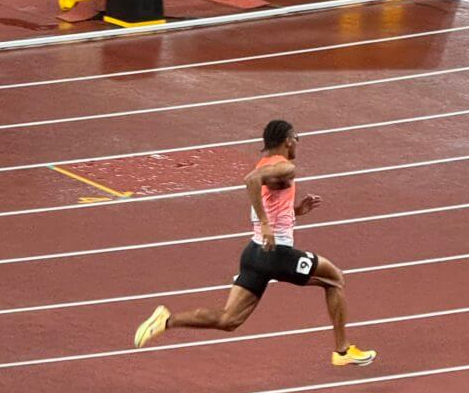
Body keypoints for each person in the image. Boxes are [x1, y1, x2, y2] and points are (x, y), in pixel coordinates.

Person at [134, 120, 376, 366]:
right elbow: (251, 180)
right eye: (297, 139)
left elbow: (269, 200)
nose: (297, 144)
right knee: (334, 278)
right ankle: (342, 351)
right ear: (288, 140)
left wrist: (296, 211)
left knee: (229, 320)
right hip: (277, 254)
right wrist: (266, 225)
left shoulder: (265, 164)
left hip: (254, 254)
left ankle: (166, 321)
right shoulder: (285, 167)